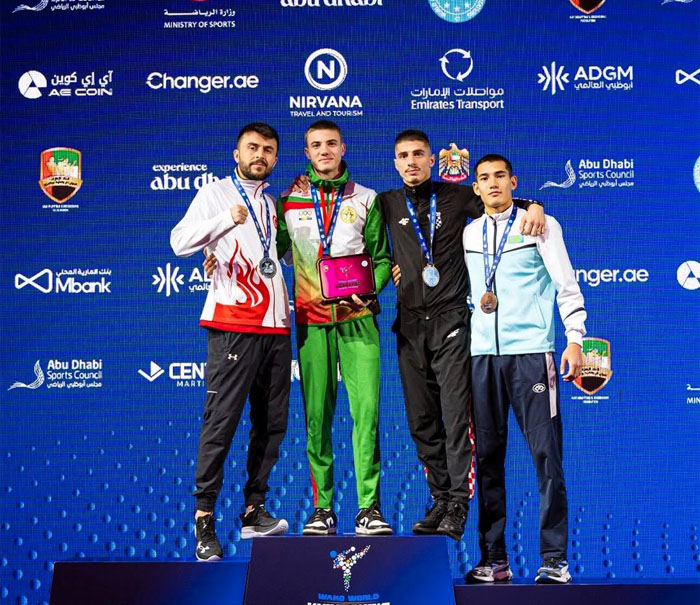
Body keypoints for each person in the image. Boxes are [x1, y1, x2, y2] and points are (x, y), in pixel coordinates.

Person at [380, 130, 545, 541]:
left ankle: (458, 502)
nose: (411, 161)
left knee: (455, 419)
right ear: (395, 163)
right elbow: (364, 248)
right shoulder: (386, 203)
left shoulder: (455, 196)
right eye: (404, 156)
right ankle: (439, 498)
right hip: (409, 326)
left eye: (419, 154)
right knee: (421, 422)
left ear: (432, 159)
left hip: (452, 323)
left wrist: (535, 205)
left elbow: (500, 205)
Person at [171, 122, 291, 562]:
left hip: (276, 327)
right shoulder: (215, 194)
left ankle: (254, 510)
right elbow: (179, 242)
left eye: (268, 150)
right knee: (221, 424)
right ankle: (204, 519)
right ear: (237, 154)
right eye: (252, 148)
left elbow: (276, 255)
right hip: (233, 322)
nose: (260, 155)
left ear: (275, 158)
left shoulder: (272, 203)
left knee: (271, 424)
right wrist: (224, 222)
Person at [463, 154, 585, 584]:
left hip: (532, 355)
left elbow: (566, 285)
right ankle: (494, 559)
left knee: (546, 456)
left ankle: (554, 559)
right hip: (482, 357)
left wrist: (575, 338)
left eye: (500, 176)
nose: (493, 183)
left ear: (513, 182)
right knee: (487, 459)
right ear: (476, 188)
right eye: (484, 178)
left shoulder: (541, 225)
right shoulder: (469, 232)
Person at [277, 120, 393, 535]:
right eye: (315, 145)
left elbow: (382, 259)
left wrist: (369, 289)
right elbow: (268, 252)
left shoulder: (366, 198)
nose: (324, 150)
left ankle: (368, 508)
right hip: (311, 322)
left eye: (331, 143)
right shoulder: (288, 201)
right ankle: (322, 508)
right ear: (306, 153)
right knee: (316, 418)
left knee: (367, 415)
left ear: (344, 148)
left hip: (358, 320)